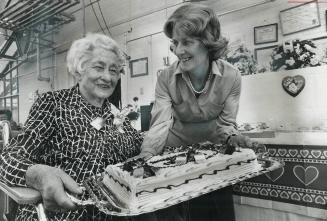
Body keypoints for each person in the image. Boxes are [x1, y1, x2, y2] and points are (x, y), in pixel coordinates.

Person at [137, 4, 262, 221]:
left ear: (207, 42)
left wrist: (237, 139)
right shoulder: (165, 78)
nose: (178, 51)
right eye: (175, 43)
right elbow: (159, 125)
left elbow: (226, 126)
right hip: (173, 161)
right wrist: (146, 157)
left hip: (213, 160)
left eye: (187, 42)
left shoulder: (232, 77)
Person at [0, 33, 142, 221]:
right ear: (79, 70)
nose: (108, 77)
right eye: (99, 67)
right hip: (61, 215)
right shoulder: (53, 104)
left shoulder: (116, 114)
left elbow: (139, 145)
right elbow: (8, 158)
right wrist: (40, 175)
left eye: (114, 70)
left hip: (113, 214)